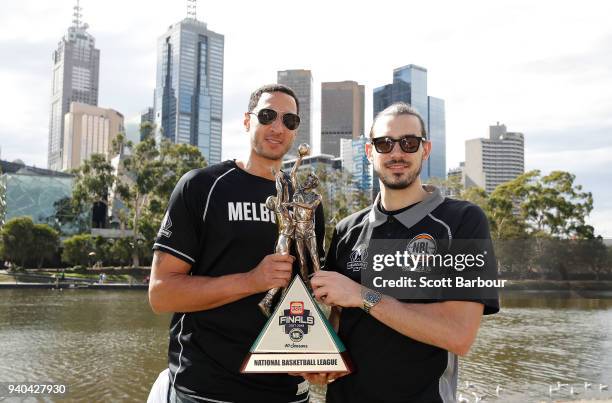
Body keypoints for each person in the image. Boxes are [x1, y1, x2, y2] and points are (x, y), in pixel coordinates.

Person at [309, 102, 500, 403]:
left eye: (409, 143)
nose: (397, 153)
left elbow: (459, 335)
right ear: (370, 152)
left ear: (425, 150)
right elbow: (339, 318)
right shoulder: (347, 229)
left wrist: (363, 295)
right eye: (384, 144)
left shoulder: (461, 221)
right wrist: (323, 358)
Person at [148, 84, 324, 403]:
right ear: (247, 121)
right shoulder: (202, 187)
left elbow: (310, 289)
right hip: (207, 389)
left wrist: (318, 351)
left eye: (290, 121)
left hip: (287, 392)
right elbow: (161, 294)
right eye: (268, 115)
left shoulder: (306, 202)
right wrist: (251, 281)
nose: (278, 127)